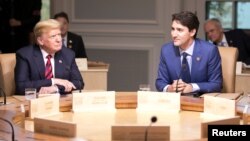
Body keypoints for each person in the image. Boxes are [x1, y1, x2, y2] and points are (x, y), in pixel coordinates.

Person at [155, 11, 222, 94]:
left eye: (179, 30)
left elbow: (216, 84)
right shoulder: (166, 50)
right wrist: (170, 88)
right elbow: (160, 82)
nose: (174, 34)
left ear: (192, 32)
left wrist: (192, 87)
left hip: (201, 102)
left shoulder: (209, 50)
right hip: (175, 102)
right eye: (173, 29)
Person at [14, 19, 84, 95]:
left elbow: (79, 83)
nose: (59, 40)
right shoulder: (25, 55)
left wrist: (56, 88)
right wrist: (53, 81)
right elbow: (21, 87)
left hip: (60, 101)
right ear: (40, 40)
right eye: (53, 36)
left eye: (59, 35)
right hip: (34, 102)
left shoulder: (68, 54)